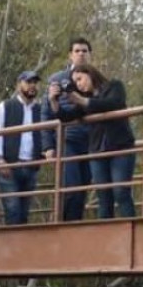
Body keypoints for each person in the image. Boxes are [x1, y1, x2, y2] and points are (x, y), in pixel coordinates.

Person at [50, 64, 136, 219]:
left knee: (121, 192)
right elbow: (66, 117)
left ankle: (132, 229)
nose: (78, 84)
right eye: (75, 82)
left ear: (90, 74)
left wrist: (82, 100)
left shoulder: (114, 86)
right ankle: (105, 235)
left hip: (120, 148)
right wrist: (54, 101)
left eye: (80, 79)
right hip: (97, 151)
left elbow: (113, 103)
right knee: (103, 197)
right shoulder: (85, 99)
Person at [41, 38, 95, 221]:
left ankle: (74, 226)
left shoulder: (98, 80)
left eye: (85, 50)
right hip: (67, 140)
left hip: (92, 141)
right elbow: (45, 114)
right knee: (70, 187)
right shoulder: (57, 79)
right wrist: (48, 146)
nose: (81, 54)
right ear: (70, 54)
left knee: (83, 188)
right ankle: (62, 224)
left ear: (90, 54)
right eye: (77, 50)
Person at [0, 71, 43, 225]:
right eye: (28, 82)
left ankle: (21, 247)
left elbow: (45, 135)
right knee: (12, 211)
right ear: (19, 85)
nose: (32, 86)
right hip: (9, 166)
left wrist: (42, 156)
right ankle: (12, 246)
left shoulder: (39, 109)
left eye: (35, 82)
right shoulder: (5, 106)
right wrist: (0, 160)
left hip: (31, 166)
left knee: (24, 212)